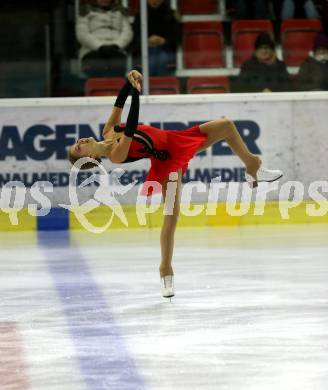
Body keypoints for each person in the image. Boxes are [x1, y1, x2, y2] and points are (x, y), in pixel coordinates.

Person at [68, 70, 283, 299]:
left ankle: (252, 164)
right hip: (166, 159)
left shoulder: (108, 130)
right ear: (91, 159)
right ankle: (165, 270)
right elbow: (131, 127)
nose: (80, 142)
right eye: (78, 148)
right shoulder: (116, 155)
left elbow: (120, 103)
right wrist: (137, 93)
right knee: (172, 216)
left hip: (175, 139)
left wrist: (128, 81)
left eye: (77, 143)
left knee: (227, 125)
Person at [76, 0, 133, 77]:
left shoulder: (120, 12)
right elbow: (82, 34)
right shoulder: (85, 11)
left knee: (118, 70)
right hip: (92, 51)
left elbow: (127, 32)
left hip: (116, 50)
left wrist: (117, 45)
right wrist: (100, 47)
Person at [131, 0, 181, 76]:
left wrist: (164, 41)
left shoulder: (171, 14)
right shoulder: (140, 15)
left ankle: (150, 86)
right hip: (145, 49)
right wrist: (146, 41)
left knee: (161, 57)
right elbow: (135, 37)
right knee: (151, 57)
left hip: (166, 50)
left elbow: (177, 38)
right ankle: (158, 85)